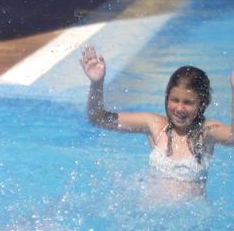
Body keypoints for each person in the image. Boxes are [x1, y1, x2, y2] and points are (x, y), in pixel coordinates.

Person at [81, 46, 234, 197]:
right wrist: (97, 83)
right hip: (149, 215)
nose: (179, 108)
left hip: (189, 220)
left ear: (201, 104)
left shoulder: (205, 132)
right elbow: (99, 118)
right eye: (175, 100)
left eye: (188, 102)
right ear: (167, 98)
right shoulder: (155, 125)